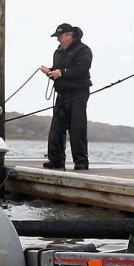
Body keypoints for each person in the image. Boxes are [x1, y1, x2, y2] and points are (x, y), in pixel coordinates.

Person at [40, 22, 93, 170]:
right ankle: (56, 160)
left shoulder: (83, 50)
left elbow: (82, 69)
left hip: (78, 92)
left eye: (60, 36)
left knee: (77, 126)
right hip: (62, 92)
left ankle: (81, 161)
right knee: (57, 128)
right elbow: (58, 73)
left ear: (69, 35)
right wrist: (50, 72)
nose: (58, 40)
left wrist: (62, 72)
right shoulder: (58, 52)